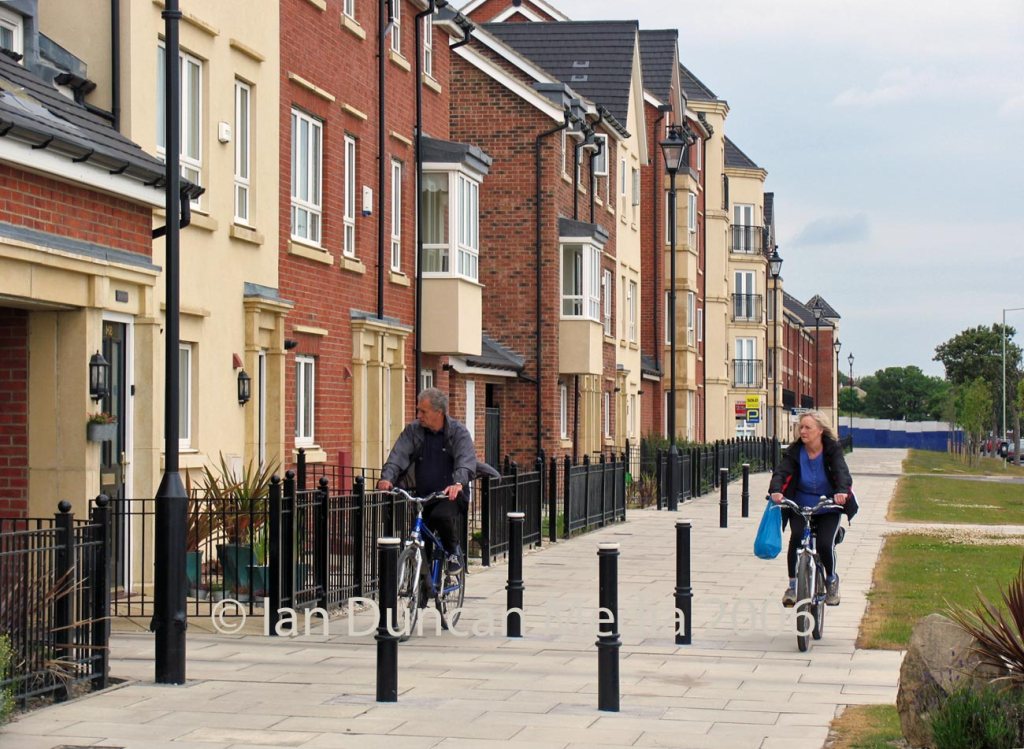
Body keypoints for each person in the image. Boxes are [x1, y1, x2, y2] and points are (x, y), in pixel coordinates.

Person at [377, 388, 477, 573]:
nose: (418, 415)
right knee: (420, 538)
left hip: (451, 495)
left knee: (442, 516)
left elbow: (466, 460)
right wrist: (387, 478)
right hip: (423, 495)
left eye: (423, 411)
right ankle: (422, 591)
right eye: (418, 411)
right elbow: (398, 455)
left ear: (438, 412)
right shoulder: (414, 430)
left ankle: (453, 551)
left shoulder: (458, 432)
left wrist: (458, 483)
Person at [768, 410, 854, 607]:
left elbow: (841, 472)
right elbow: (781, 472)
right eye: (801, 427)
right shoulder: (795, 451)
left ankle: (831, 580)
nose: (803, 431)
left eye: (808, 427)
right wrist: (776, 491)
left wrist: (841, 492)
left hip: (828, 504)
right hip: (800, 504)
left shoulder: (832, 449)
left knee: (825, 544)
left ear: (820, 431)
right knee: (796, 537)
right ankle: (792, 585)